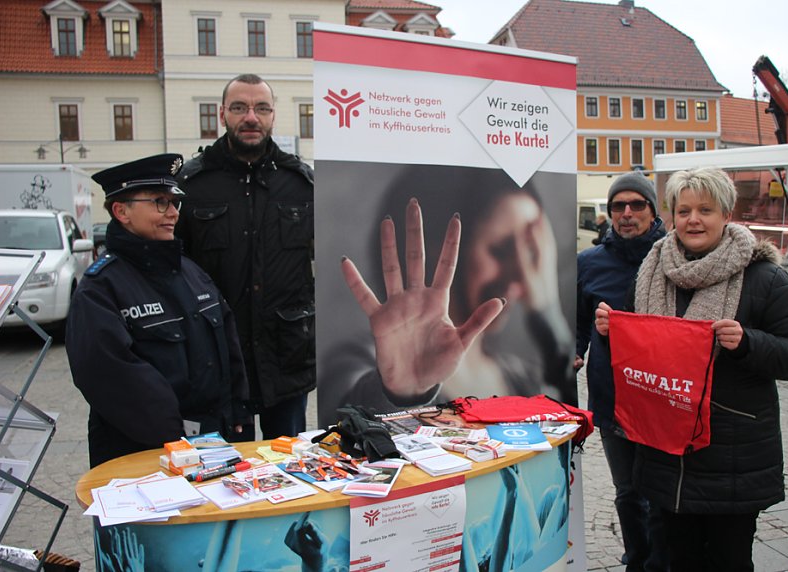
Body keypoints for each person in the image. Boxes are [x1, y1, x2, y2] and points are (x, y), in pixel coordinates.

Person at [595, 167, 788, 571]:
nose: (693, 220)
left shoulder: (764, 278)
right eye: (684, 211)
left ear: (726, 215)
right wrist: (613, 332)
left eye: (705, 210)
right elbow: (639, 354)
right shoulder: (651, 273)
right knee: (677, 560)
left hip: (731, 458)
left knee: (728, 561)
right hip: (665, 457)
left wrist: (748, 343)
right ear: (672, 216)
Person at [324, 167, 577, 424]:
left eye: (532, 255)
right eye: (500, 250)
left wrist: (550, 319)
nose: (521, 277)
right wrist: (397, 394)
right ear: (437, 249)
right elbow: (340, 425)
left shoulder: (525, 380)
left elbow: (569, 430)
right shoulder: (356, 362)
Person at [66, 153, 250, 468]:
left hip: (211, 445)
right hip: (144, 456)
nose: (173, 213)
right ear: (121, 211)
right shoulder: (101, 288)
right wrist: (178, 437)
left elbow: (229, 348)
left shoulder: (191, 271)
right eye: (159, 203)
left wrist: (238, 414)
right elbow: (112, 377)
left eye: (174, 202)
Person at [176, 73, 315, 440]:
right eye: (239, 108)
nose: (251, 117)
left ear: (273, 115)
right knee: (226, 468)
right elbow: (172, 270)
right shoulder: (192, 185)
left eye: (261, 108)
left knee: (288, 464)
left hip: (286, 358)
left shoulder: (302, 183)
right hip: (218, 358)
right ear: (222, 113)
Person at [575, 171, 668, 572]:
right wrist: (575, 351)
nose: (627, 213)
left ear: (652, 210)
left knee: (663, 492)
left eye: (636, 204)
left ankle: (662, 562)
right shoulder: (589, 263)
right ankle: (637, 561)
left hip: (664, 397)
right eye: (618, 206)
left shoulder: (674, 256)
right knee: (628, 492)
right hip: (612, 396)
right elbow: (578, 322)